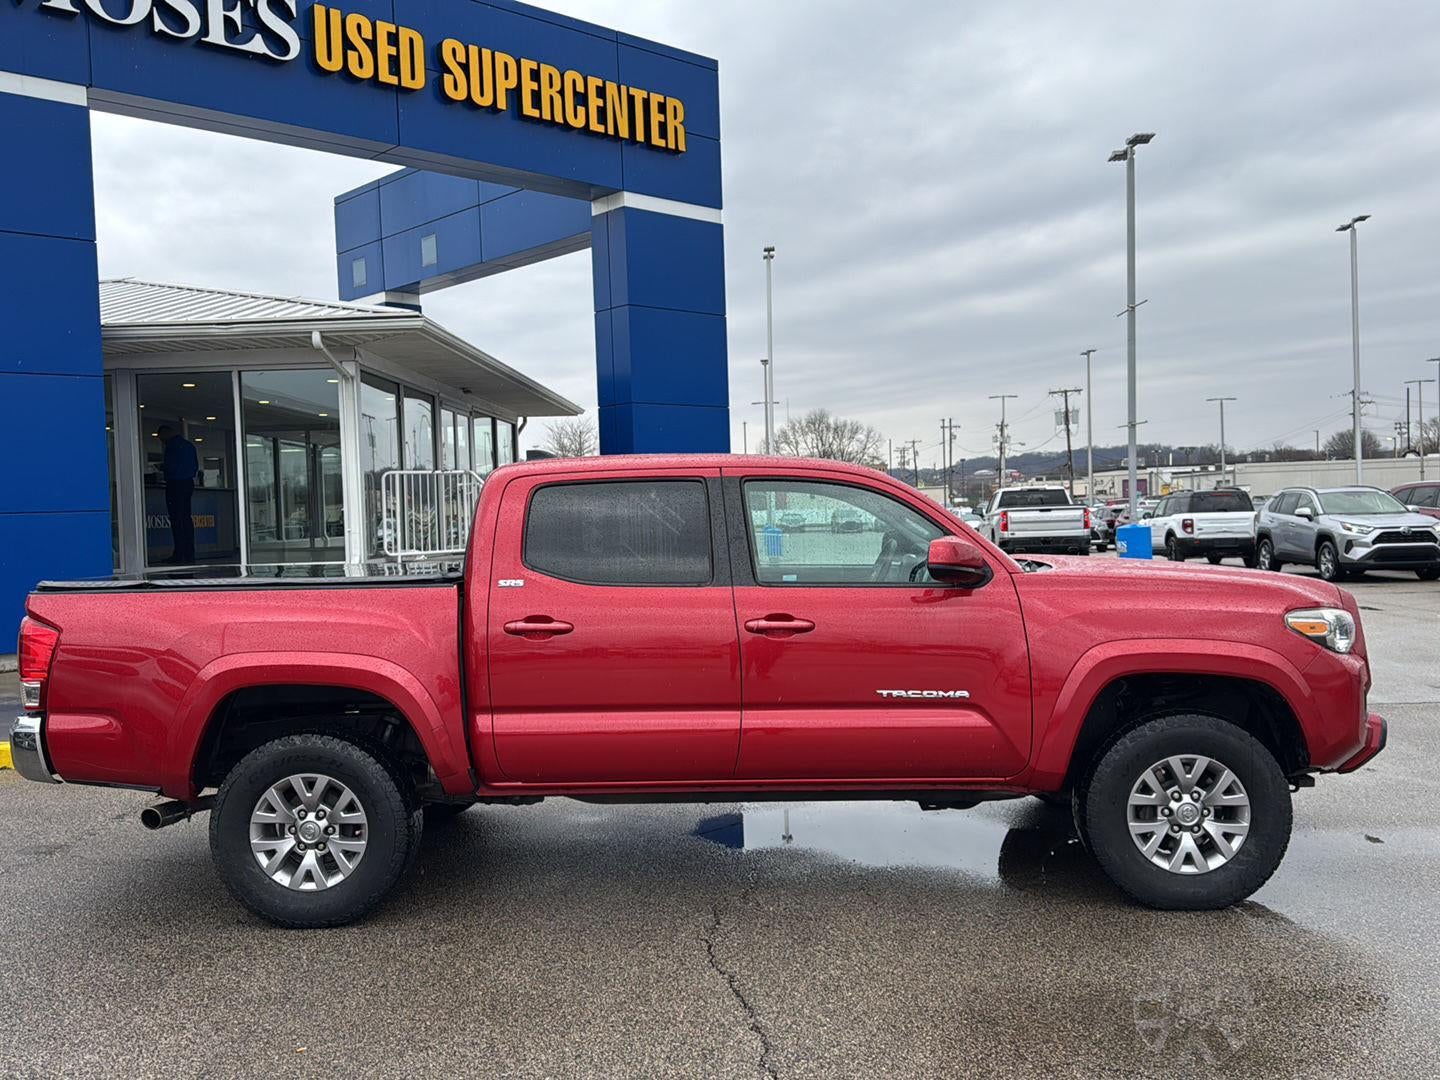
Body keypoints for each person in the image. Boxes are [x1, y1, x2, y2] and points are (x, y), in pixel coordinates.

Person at [157, 424, 199, 564]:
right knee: (185, 519)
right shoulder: (188, 446)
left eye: (161, 438)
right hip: (187, 484)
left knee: (177, 520)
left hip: (175, 484)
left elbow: (170, 466)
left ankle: (180, 552)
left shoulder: (172, 447)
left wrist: (164, 469)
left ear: (166, 434)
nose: (161, 442)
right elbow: (194, 467)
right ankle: (188, 553)